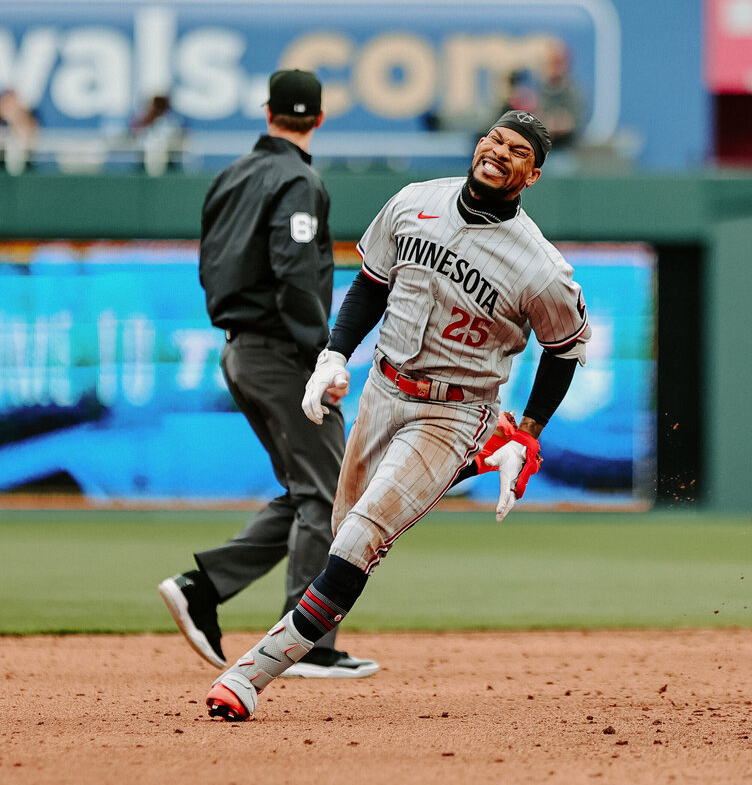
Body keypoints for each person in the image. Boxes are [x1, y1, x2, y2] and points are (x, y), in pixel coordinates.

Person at [204, 109, 590, 721]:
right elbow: (371, 284)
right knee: (344, 528)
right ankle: (478, 460)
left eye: (517, 150)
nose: (498, 151)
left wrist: (530, 429)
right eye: (492, 138)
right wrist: (334, 354)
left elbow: (565, 350)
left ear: (533, 175)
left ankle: (251, 674)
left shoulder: (540, 267)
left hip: (453, 411)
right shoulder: (415, 201)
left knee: (361, 538)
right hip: (382, 391)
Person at [158, 70, 378, 679]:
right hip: (284, 353)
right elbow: (293, 270)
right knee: (333, 495)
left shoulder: (230, 176)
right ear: (321, 119)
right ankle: (307, 643)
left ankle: (204, 586)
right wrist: (323, 355)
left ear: (267, 111)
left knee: (311, 491)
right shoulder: (299, 179)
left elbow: (210, 265)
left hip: (238, 348)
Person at [0, 88, 40, 174]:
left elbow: (29, 140)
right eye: (7, 104)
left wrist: (17, 120)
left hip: (26, 170)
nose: (11, 107)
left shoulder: (29, 119)